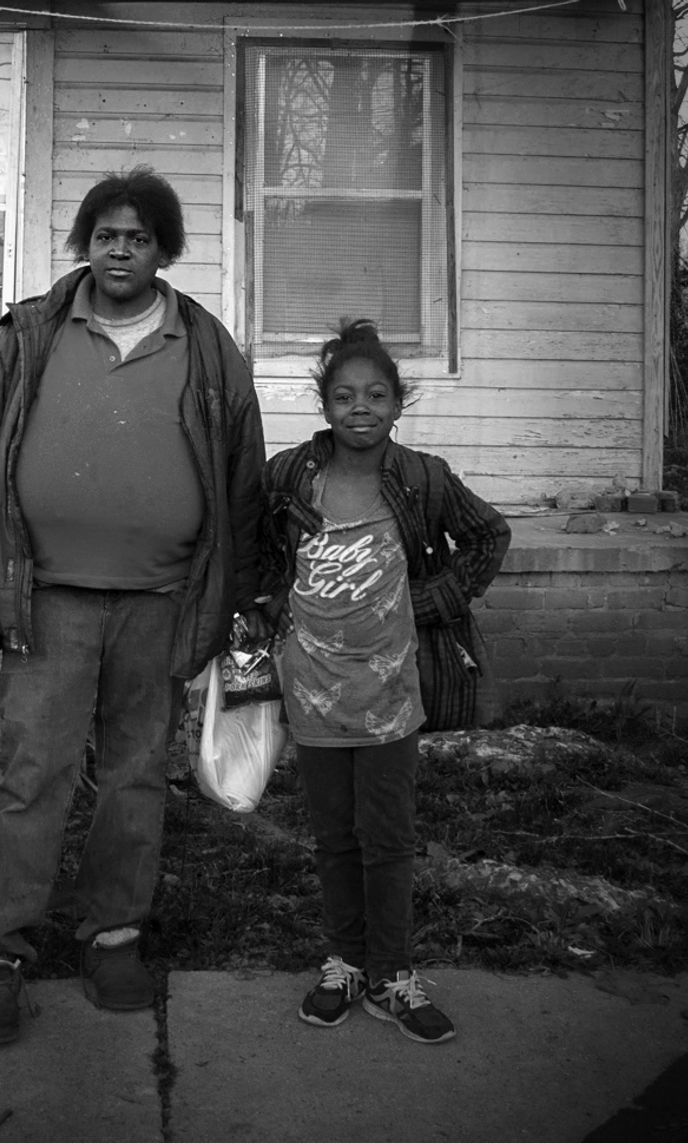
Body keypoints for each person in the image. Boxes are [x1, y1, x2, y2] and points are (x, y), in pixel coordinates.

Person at [0, 166, 268, 1046]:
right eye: (107, 234)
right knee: (30, 773)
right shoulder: (32, 333)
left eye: (141, 237)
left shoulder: (207, 345)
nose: (122, 249)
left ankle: (113, 936)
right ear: (86, 242)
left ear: (165, 250)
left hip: (160, 601)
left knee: (134, 774)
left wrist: (242, 598)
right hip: (47, 601)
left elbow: (241, 487)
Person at [260, 319, 509, 1044]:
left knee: (390, 836)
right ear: (323, 404)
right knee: (334, 837)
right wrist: (267, 610)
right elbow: (255, 548)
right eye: (343, 394)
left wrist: (433, 602)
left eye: (375, 394)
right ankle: (345, 963)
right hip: (311, 687)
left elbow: (490, 533)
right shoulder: (290, 476)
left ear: (399, 404)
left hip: (393, 693)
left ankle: (394, 974)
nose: (359, 407)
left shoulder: (423, 477)